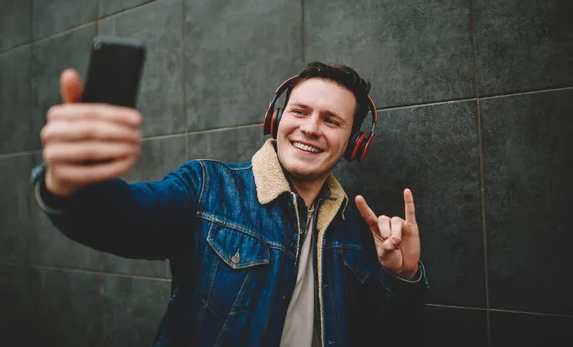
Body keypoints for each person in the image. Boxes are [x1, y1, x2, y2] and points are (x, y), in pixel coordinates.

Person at [31, 61, 429, 347]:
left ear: (353, 144)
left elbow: (388, 334)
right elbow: (124, 220)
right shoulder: (207, 187)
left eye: (331, 121)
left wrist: (402, 275)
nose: (310, 128)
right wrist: (71, 183)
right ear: (276, 119)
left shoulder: (361, 230)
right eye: (300, 111)